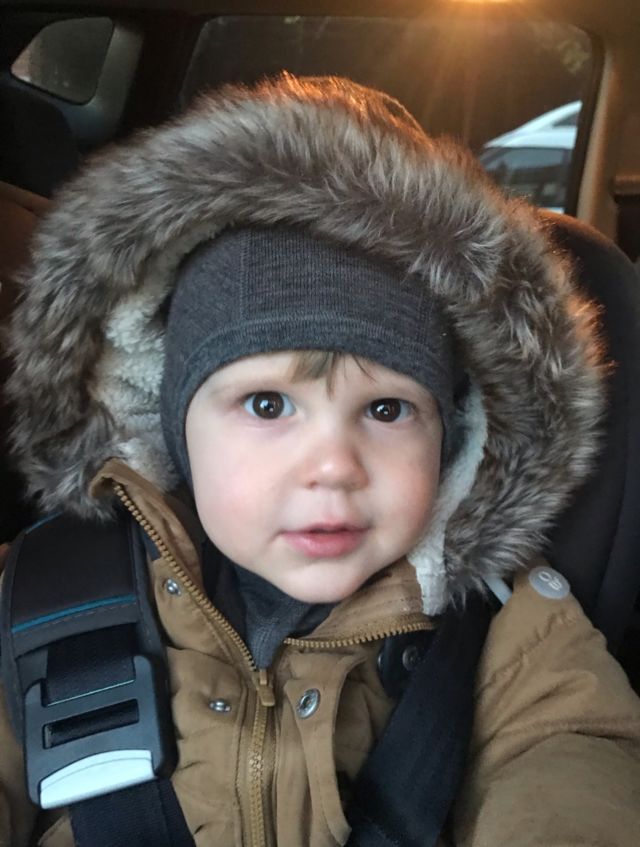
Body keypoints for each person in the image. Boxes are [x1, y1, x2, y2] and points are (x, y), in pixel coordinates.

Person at [2, 73, 640, 847]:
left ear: (452, 434)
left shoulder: (504, 624)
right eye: (268, 405)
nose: (335, 466)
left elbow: (569, 755)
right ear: (175, 427)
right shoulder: (44, 594)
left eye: (387, 409)